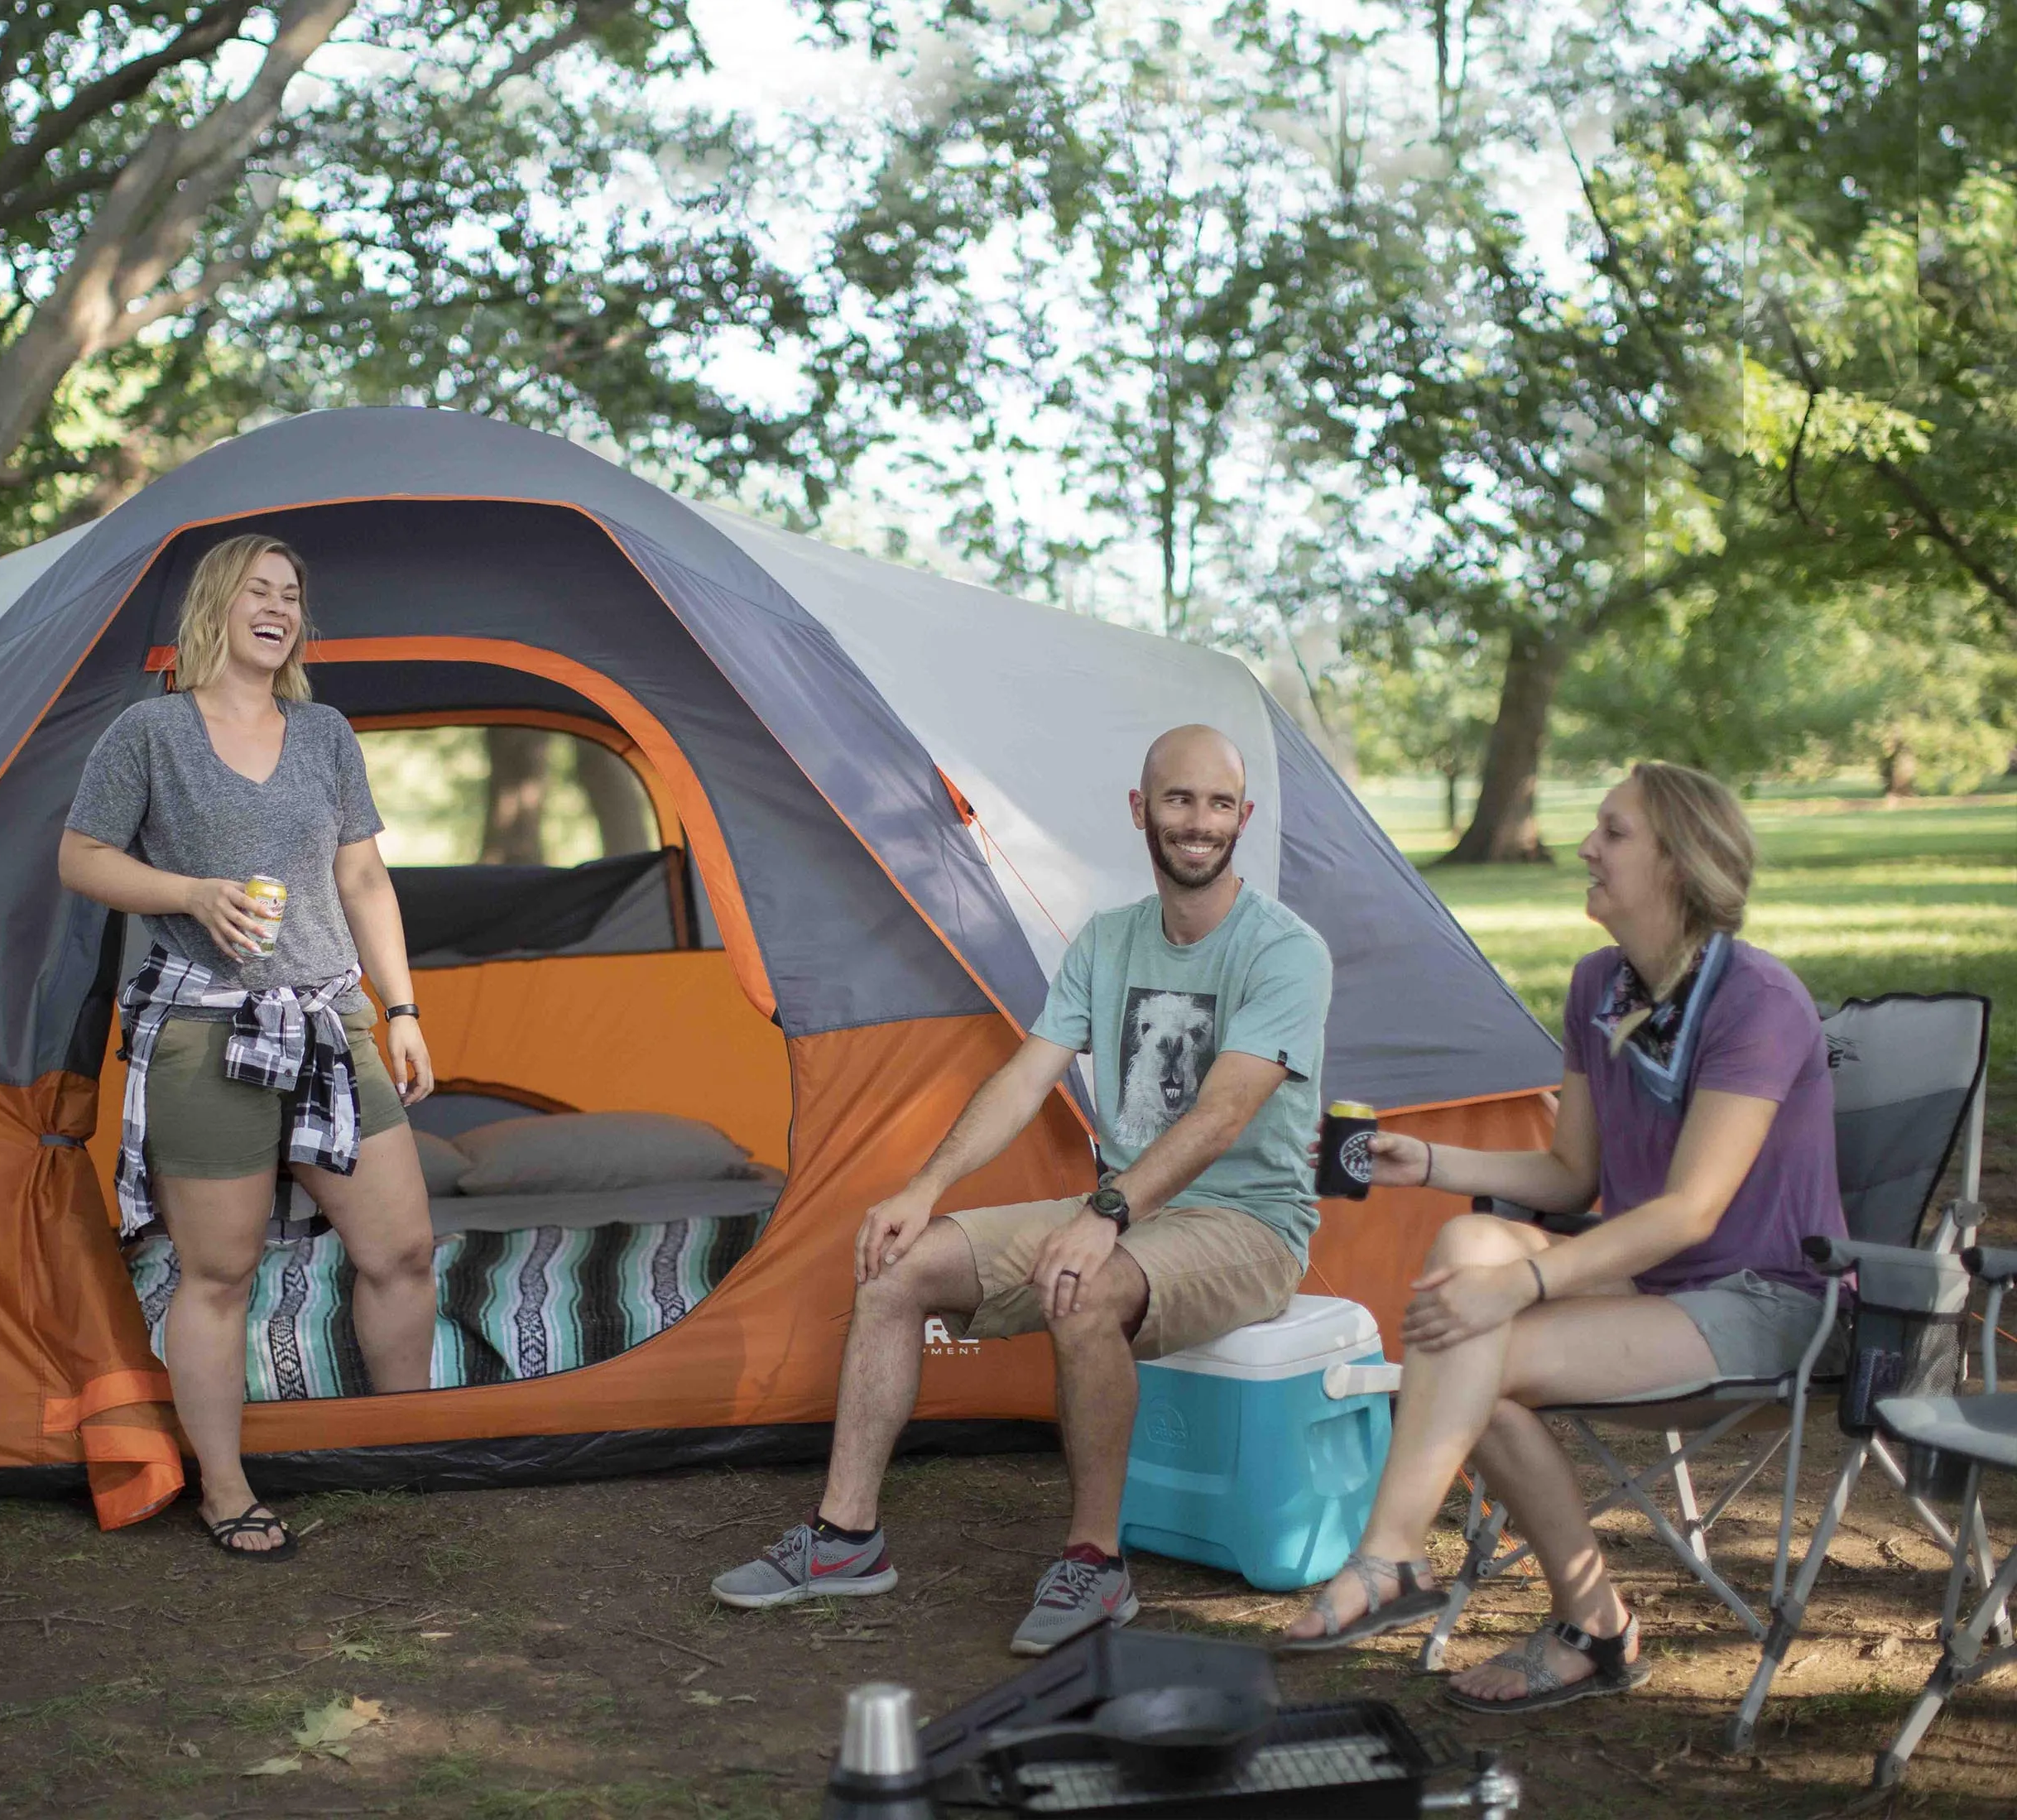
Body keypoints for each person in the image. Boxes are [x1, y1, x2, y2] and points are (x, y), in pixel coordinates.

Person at [712, 723, 1329, 1655]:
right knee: (895, 1269)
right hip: (1128, 1213)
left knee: (1082, 1286)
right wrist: (924, 1186)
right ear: (1141, 810)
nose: (1197, 823)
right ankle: (846, 1540)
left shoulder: (1285, 951)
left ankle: (1095, 1562)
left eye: (1216, 804)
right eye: (1177, 799)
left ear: (1241, 818)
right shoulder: (1109, 941)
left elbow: (1221, 1117)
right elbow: (1023, 1078)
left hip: (1248, 1225)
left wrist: (1104, 1215)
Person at [1278, 761, 1847, 1714]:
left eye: (1614, 832)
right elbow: (1570, 1178)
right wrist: (1433, 1161)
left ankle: (1414, 1566)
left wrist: (1528, 1287)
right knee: (1468, 1267)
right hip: (1650, 1283)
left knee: (1478, 1339)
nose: (1586, 846)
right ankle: (1544, 1609)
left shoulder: (1759, 1002)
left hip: (1766, 1299)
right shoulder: (1600, 986)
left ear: (1679, 860)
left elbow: (1689, 1211)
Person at [59, 532, 436, 1558]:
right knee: (218, 1273)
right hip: (202, 1031)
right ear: (219, 606)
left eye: (294, 594)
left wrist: (399, 1012)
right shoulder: (152, 732)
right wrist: (190, 894)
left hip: (331, 1022)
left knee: (400, 1250)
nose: (280, 606)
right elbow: (80, 856)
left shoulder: (324, 734)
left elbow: (363, 880)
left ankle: (409, 1453)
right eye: (260, 590)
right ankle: (226, 1492)